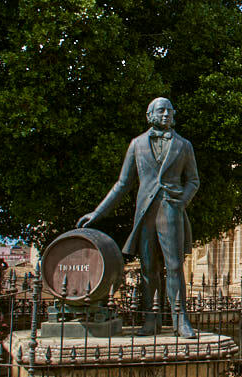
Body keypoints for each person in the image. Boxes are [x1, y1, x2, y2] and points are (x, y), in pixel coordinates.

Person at [78, 97, 199, 337]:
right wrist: (99, 212)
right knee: (147, 268)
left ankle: (180, 320)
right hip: (144, 213)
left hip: (171, 211)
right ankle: (150, 321)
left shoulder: (184, 145)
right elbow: (122, 184)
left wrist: (182, 201)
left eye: (170, 111)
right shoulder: (137, 144)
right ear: (150, 115)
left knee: (175, 266)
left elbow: (193, 180)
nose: (166, 114)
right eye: (161, 110)